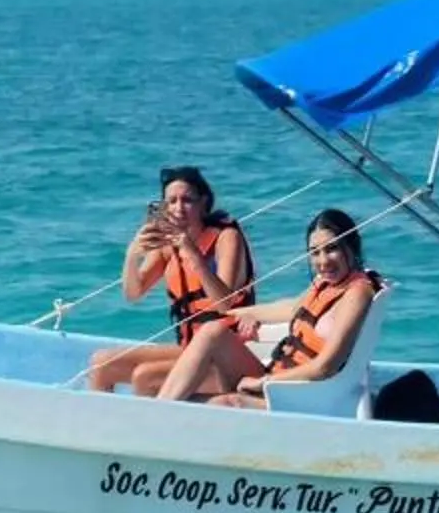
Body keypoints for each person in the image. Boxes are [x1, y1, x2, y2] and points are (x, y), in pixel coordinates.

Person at [156, 208, 382, 406]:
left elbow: (324, 367)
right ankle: (161, 409)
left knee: (229, 402)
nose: (322, 261)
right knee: (212, 331)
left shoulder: (356, 293)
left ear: (351, 246)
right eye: (315, 252)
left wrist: (262, 382)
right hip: (280, 378)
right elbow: (291, 308)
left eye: (332, 248)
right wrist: (233, 314)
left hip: (305, 395)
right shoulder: (326, 283)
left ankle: (160, 413)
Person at [86, 168, 254, 394]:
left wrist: (192, 253)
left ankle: (151, 427)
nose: (178, 208)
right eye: (171, 201)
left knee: (145, 376)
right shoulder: (168, 245)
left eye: (187, 200)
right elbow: (133, 294)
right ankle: (101, 425)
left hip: (226, 355)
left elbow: (224, 303)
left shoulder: (225, 238)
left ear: (204, 203)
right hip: (189, 349)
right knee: (101, 364)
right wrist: (133, 253)